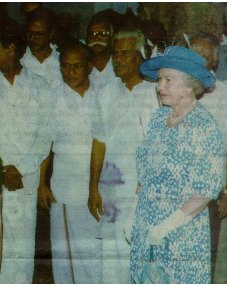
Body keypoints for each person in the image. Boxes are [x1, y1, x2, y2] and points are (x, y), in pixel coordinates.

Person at [131, 45, 225, 283]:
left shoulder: (204, 126)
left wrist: (165, 227)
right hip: (147, 227)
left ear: (189, 84)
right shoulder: (160, 117)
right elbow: (146, 173)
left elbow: (206, 190)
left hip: (181, 234)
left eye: (168, 80)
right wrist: (133, 213)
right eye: (159, 79)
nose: (159, 86)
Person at [0, 18, 51, 283]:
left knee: (21, 248)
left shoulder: (40, 86)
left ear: (11, 49)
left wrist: (21, 167)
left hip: (25, 178)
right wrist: (3, 168)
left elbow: (44, 136)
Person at [89, 28, 160, 283]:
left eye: (125, 54)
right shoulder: (106, 92)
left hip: (145, 186)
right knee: (111, 250)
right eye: (115, 53)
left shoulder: (156, 92)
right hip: (112, 184)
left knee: (140, 249)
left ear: (140, 56)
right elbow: (98, 142)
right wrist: (93, 188)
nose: (117, 59)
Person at [38, 42, 104, 283]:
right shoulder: (53, 97)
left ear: (89, 66)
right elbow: (44, 144)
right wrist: (41, 184)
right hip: (66, 188)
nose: (71, 72)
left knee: (95, 253)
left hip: (101, 187)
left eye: (77, 66)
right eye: (66, 66)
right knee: (67, 256)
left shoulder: (103, 93)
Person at [190, 33, 227, 284]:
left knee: (213, 258)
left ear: (214, 61)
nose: (197, 61)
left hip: (213, 193)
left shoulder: (226, 95)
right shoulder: (179, 91)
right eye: (193, 54)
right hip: (182, 192)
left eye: (203, 56)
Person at [21, 7, 63, 88]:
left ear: (51, 34)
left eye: (39, 35)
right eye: (30, 33)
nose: (32, 38)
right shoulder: (20, 61)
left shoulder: (63, 60)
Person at [85, 12, 116, 89]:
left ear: (111, 37)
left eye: (103, 33)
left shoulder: (119, 63)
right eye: (91, 34)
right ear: (86, 39)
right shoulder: (80, 65)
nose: (96, 38)